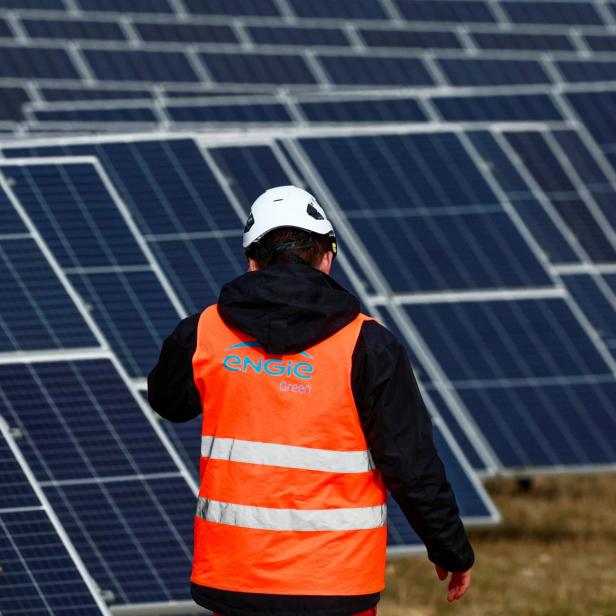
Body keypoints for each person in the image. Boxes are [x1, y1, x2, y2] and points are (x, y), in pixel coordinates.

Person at [148, 186, 474, 616]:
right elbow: (410, 463)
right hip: (335, 582)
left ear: (252, 261)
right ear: (327, 258)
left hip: (235, 579)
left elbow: (169, 402)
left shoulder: (204, 332)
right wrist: (449, 548)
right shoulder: (367, 344)